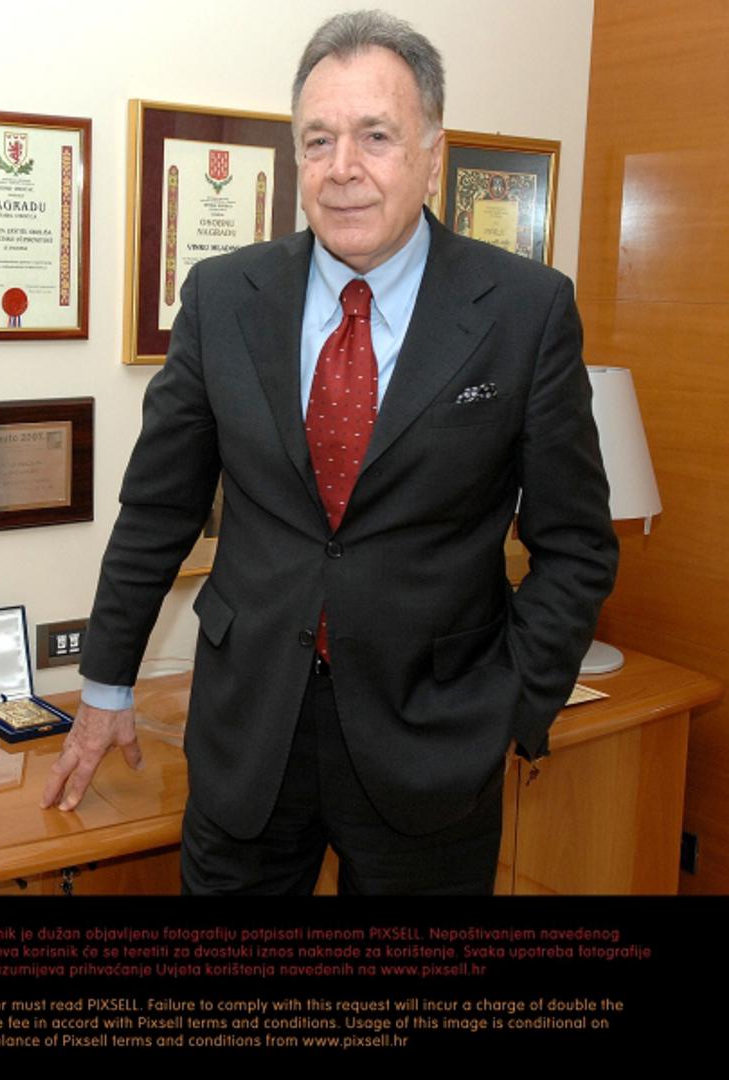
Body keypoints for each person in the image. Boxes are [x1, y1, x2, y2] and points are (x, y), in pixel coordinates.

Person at [41, 9, 619, 896]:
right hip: (248, 735)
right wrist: (106, 685)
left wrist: (510, 702)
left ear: (431, 154)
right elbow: (158, 510)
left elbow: (575, 544)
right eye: (318, 139)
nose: (342, 166)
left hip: (432, 742)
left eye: (374, 136)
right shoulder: (222, 298)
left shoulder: (523, 310)